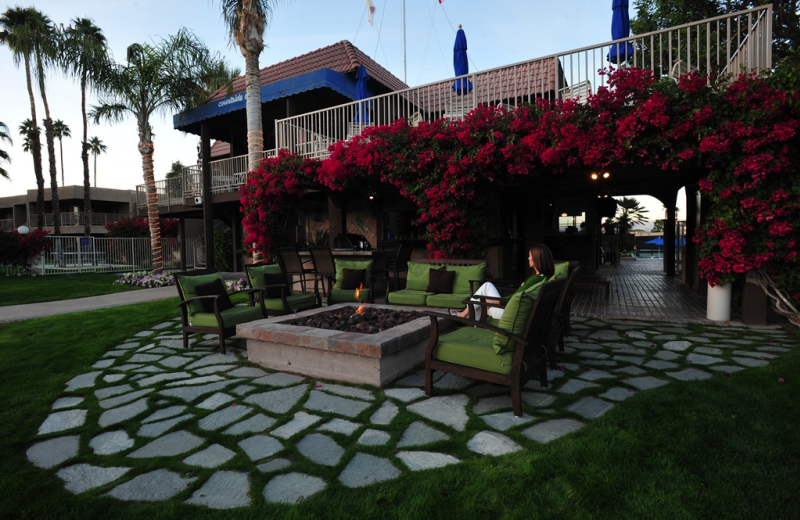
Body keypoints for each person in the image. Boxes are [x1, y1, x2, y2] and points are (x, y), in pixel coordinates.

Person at [450, 244, 556, 320]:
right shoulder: (544, 278)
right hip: (514, 309)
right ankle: (467, 318)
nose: (528, 258)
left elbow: (513, 299)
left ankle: (464, 316)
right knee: (483, 295)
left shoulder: (535, 280)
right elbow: (517, 297)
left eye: (530, 256)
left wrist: (490, 302)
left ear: (537, 259)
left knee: (484, 292)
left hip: (508, 313)